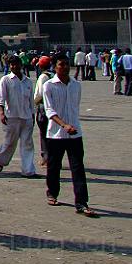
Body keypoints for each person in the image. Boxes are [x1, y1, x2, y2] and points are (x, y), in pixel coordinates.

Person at [42, 54, 96, 216]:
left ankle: (81, 202)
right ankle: (52, 192)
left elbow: (75, 107)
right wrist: (64, 124)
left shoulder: (76, 85)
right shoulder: (49, 86)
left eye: (66, 64)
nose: (64, 67)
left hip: (75, 133)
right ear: (54, 66)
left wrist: (71, 125)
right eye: (61, 64)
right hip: (56, 134)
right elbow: (49, 110)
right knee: (54, 166)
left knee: (78, 167)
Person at [0, 56, 37, 177]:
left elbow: (31, 101)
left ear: (21, 65)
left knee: (27, 143)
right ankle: (1, 161)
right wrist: (1, 113)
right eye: (12, 65)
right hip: (11, 116)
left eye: (16, 64)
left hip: (27, 117)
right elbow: (1, 99)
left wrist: (32, 116)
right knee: (9, 142)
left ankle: (28, 170)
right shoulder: (5, 80)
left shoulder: (28, 81)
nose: (14, 67)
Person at [33, 55, 53, 167]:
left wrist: (33, 104)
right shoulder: (53, 75)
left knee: (44, 134)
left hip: (43, 108)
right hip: (54, 108)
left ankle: (46, 157)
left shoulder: (43, 77)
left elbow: (39, 95)